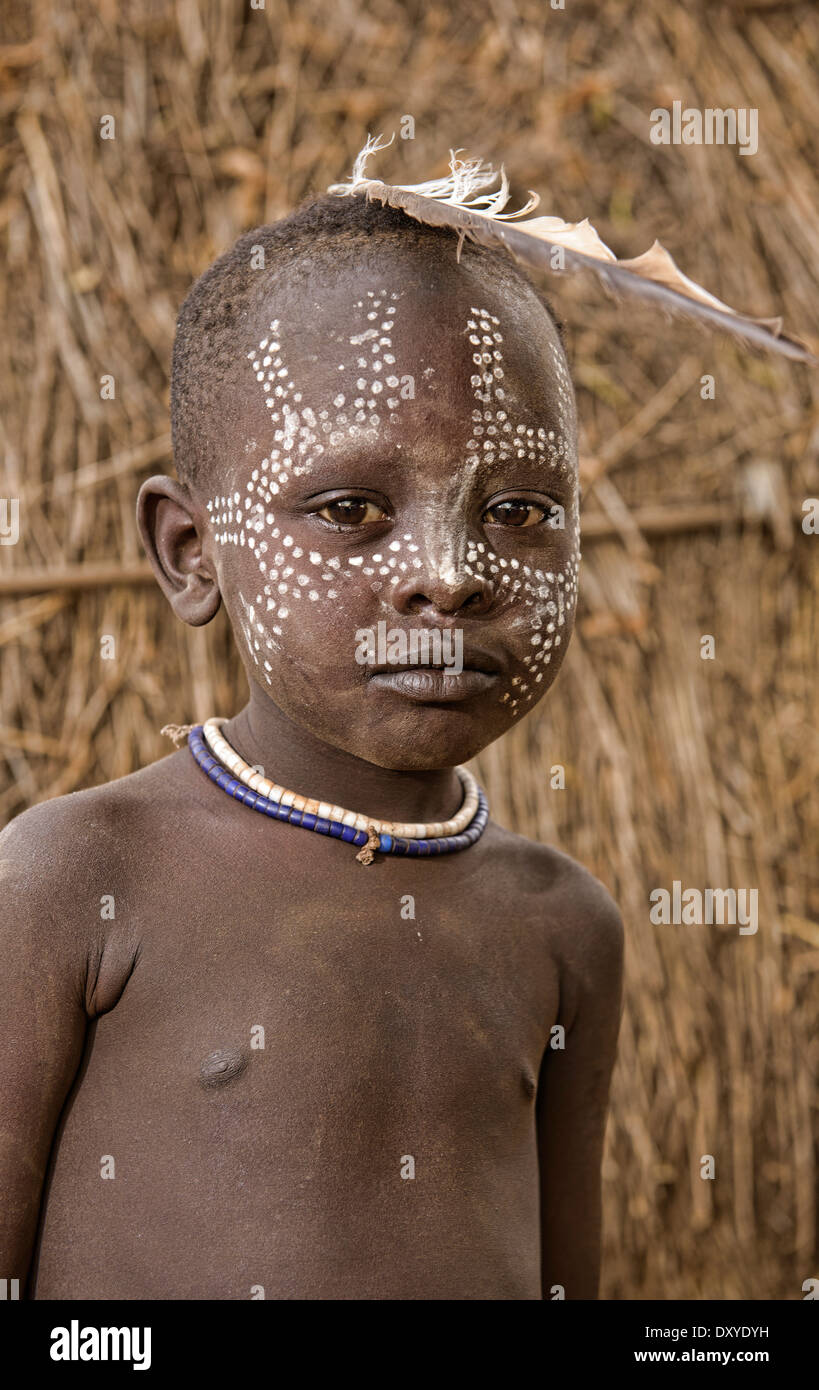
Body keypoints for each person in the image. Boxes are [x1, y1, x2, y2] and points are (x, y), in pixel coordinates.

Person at [0, 192, 623, 1300]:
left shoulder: (563, 924)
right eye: (350, 509)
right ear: (192, 552)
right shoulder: (75, 879)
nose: (451, 569)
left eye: (521, 510)